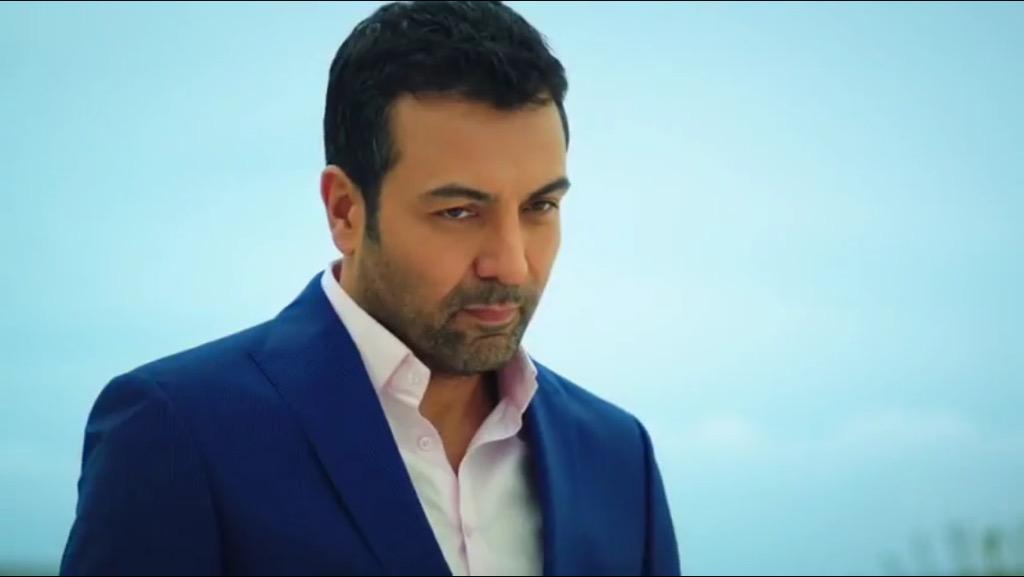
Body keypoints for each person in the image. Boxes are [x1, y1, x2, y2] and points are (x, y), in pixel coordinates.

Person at [60, 2, 679, 575]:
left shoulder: (617, 457)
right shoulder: (177, 430)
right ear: (346, 211)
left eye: (540, 206)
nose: (512, 265)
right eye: (459, 212)